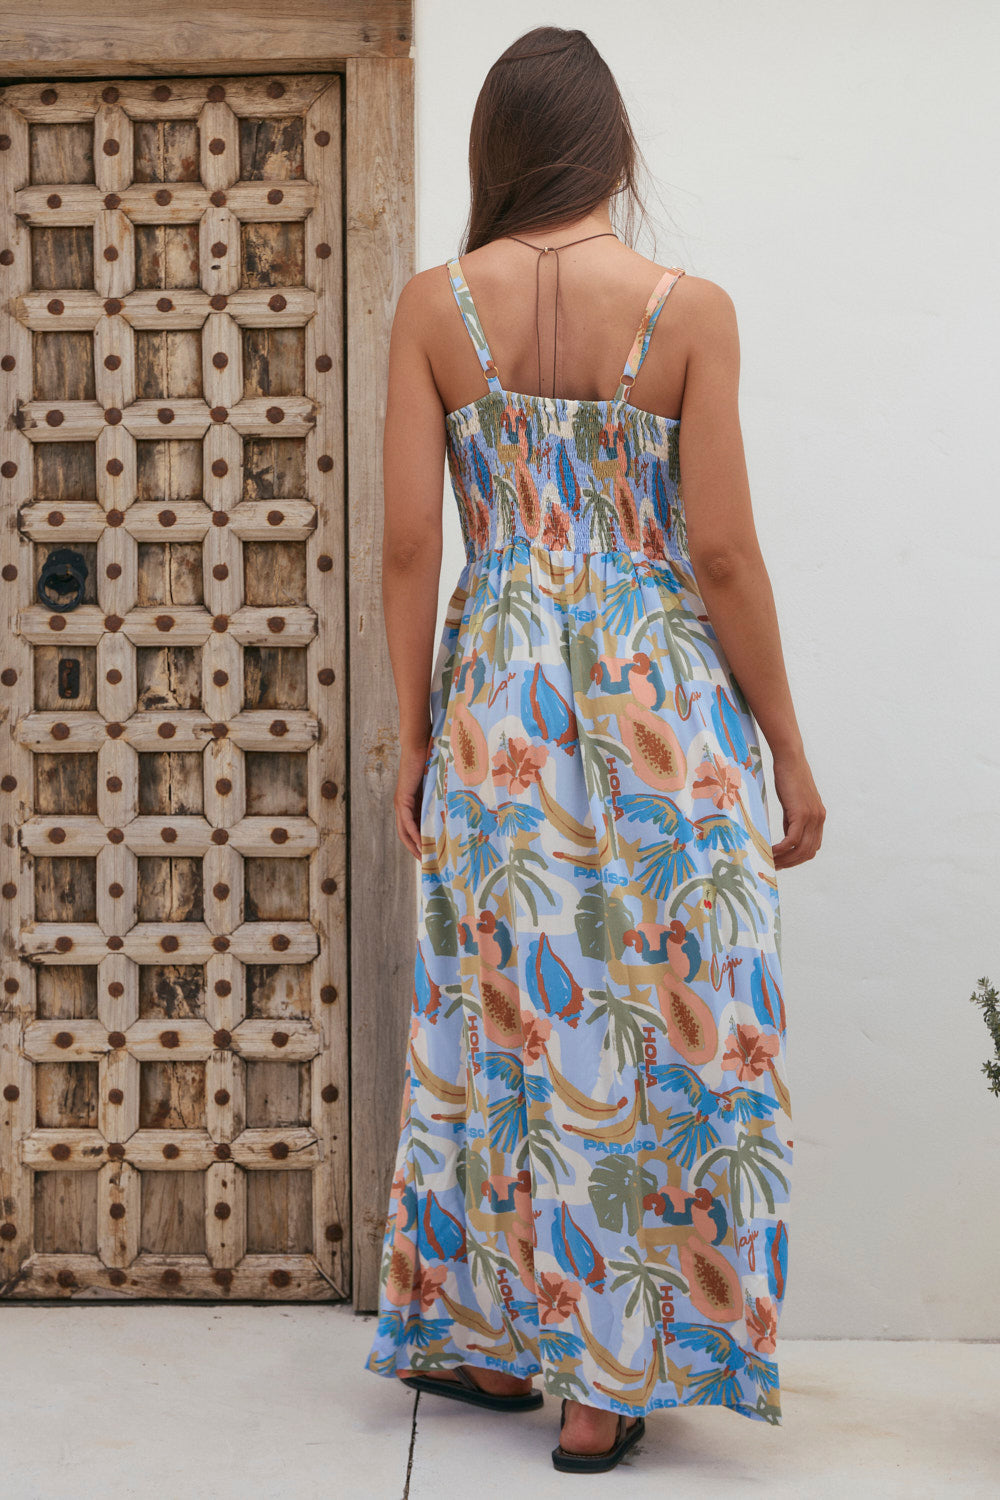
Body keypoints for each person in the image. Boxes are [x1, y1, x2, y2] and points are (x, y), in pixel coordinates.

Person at [364, 23, 825, 1476]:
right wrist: (788, 755)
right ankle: (606, 1379)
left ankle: (513, 1343)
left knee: (514, 1021)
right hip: (656, 709)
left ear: (497, 151)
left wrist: (416, 738)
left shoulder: (435, 310)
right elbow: (728, 555)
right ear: (613, 147)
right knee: (665, 1022)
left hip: (501, 707)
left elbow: (402, 549)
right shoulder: (687, 311)